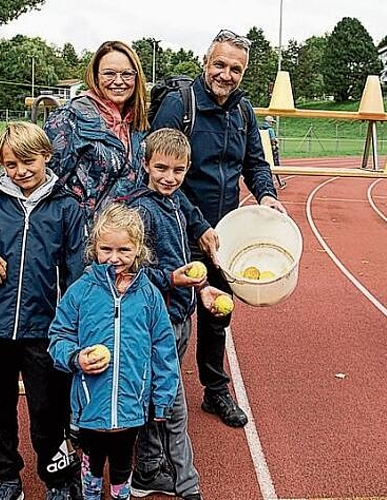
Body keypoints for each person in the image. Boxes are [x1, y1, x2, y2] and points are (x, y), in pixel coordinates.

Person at [150, 29, 286, 428]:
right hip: (176, 229)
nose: (226, 74)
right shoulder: (179, 106)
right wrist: (196, 224)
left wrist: (265, 195)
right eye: (220, 64)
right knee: (168, 316)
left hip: (223, 235)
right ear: (205, 63)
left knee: (217, 315)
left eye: (235, 69)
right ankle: (156, 395)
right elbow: (162, 174)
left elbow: (256, 164)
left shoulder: (244, 112)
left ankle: (215, 390)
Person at [0, 121, 87, 500]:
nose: (21, 171)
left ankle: (57, 478)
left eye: (28, 161)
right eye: (11, 164)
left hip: (43, 330)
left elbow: (77, 271)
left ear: (46, 156)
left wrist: (74, 323)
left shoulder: (67, 210)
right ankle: (7, 476)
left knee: (50, 410)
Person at [123, 129, 231, 500]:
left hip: (181, 313)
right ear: (146, 165)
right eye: (162, 168)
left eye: (179, 170)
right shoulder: (141, 210)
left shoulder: (175, 199)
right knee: (169, 402)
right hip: (157, 320)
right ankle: (186, 483)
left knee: (157, 396)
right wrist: (171, 279)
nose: (170, 177)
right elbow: (131, 268)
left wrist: (202, 288)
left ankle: (148, 470)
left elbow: (191, 218)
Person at [48, 203, 180, 500]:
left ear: (138, 250)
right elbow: (58, 335)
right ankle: (91, 493)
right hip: (89, 403)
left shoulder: (149, 295)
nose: (114, 258)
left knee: (122, 463)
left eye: (124, 250)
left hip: (132, 405)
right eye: (106, 249)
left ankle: (121, 494)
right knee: (92, 462)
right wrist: (75, 357)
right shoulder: (81, 291)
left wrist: (161, 400)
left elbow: (163, 350)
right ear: (94, 247)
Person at [44, 40, 149, 221]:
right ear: (95, 76)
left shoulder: (138, 123)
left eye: (127, 74)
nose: (118, 81)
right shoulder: (69, 119)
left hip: (122, 239)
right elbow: (45, 183)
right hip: (78, 236)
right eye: (109, 73)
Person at [259, 115, 287, 189]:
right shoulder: (270, 130)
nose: (272, 124)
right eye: (271, 122)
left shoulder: (259, 129)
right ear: (269, 122)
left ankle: (264, 184)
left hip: (262, 150)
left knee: (263, 167)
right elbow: (272, 140)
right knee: (275, 166)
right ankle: (280, 183)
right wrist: (275, 146)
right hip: (271, 150)